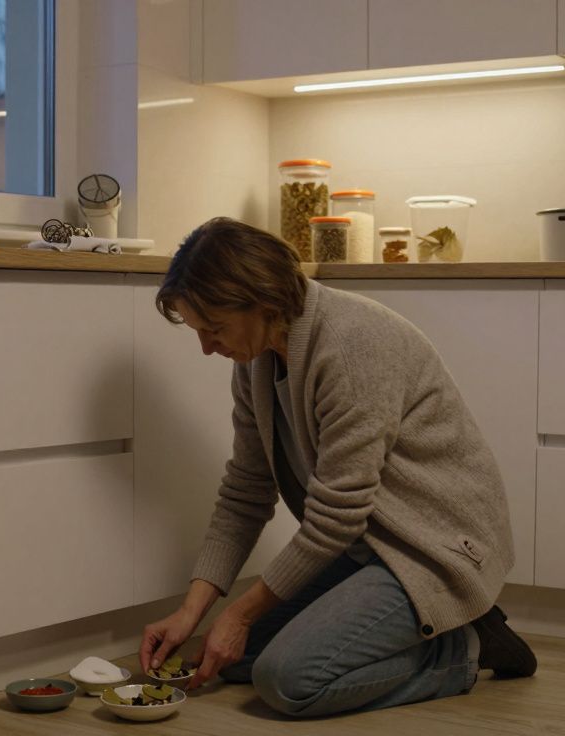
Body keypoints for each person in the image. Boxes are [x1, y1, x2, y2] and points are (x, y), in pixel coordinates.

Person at [138, 217, 536, 718]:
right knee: (238, 660)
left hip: (431, 548)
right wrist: (191, 613)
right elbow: (245, 491)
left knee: (286, 681)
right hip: (366, 544)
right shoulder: (255, 359)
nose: (206, 347)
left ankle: (467, 648)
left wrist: (237, 615)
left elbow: (335, 517)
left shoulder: (353, 346)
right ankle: (423, 629)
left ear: (264, 304)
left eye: (215, 329)